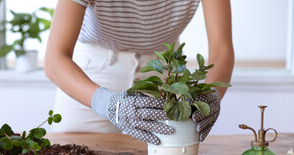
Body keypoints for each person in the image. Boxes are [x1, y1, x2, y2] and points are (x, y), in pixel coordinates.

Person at [45, 0, 234, 145]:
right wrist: (107, 103)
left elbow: (221, 49)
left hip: (165, 70)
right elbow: (55, 59)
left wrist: (211, 93)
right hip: (91, 73)